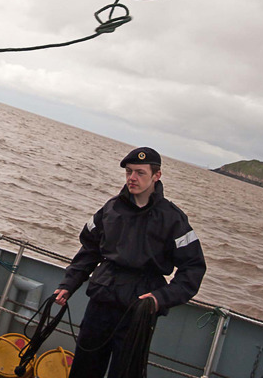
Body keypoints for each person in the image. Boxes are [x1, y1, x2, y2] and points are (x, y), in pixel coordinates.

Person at [53, 147, 206, 378]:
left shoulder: (173, 219)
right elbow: (89, 250)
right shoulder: (110, 209)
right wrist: (68, 283)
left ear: (157, 175)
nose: (132, 178)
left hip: (139, 309)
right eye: (129, 172)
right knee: (84, 369)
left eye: (140, 173)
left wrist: (160, 298)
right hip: (102, 302)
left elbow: (193, 269)